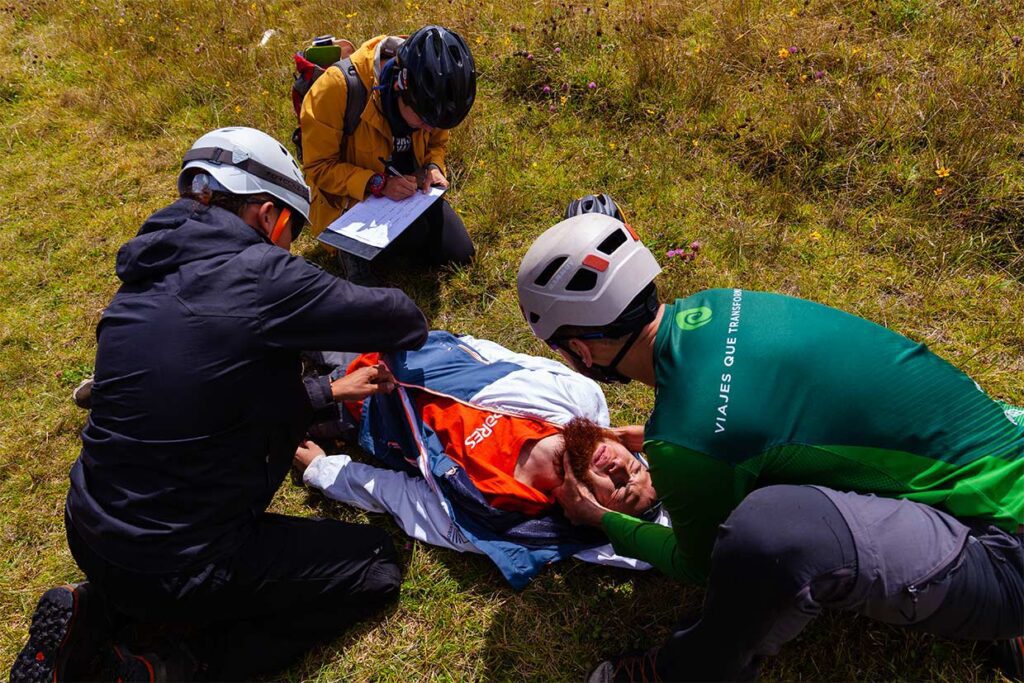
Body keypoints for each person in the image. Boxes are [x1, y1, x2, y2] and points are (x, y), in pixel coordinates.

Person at [516, 210, 1024, 681]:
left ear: (580, 349)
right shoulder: (721, 305)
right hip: (1007, 458)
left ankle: (687, 672)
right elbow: (777, 414)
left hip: (1006, 547)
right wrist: (666, 440)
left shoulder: (687, 439)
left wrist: (602, 518)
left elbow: (700, 565)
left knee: (772, 531)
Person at [11, 127, 429, 682]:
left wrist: (326, 391)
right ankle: (174, 666)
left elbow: (215, 396)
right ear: (265, 213)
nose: (287, 245)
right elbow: (402, 318)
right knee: (373, 566)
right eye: (289, 230)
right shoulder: (260, 273)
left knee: (158, 562)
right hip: (180, 562)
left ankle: (100, 613)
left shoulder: (138, 283)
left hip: (89, 530)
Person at [291, 333, 665, 588]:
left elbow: (399, 497)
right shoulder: (579, 396)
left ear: (586, 512)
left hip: (358, 412)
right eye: (634, 466)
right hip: (394, 346)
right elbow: (499, 357)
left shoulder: (492, 512)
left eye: (620, 490)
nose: (619, 468)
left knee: (253, 405)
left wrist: (324, 471)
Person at [300, 25, 476, 281]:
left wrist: (433, 167)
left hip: (409, 197)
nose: (430, 128)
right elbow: (318, 168)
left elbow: (437, 142)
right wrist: (377, 183)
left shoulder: (430, 96)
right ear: (399, 87)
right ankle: (350, 251)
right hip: (350, 203)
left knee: (460, 253)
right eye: (424, 120)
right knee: (379, 273)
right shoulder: (337, 89)